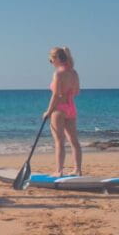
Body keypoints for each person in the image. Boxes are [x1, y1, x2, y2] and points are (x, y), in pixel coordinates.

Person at [43, 47, 81, 177]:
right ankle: (78, 170)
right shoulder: (74, 73)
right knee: (74, 141)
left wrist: (48, 111)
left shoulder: (58, 74)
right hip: (71, 108)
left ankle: (59, 171)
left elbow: (56, 95)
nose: (51, 62)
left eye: (51, 60)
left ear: (57, 59)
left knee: (59, 141)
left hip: (59, 109)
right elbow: (77, 92)